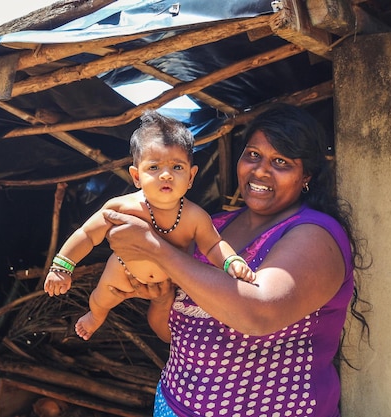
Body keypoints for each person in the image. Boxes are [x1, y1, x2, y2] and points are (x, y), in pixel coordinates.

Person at [103, 103, 370, 417]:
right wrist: (163, 300)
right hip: (173, 405)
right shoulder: (214, 227)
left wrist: (156, 250)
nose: (259, 171)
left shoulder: (315, 234)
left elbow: (258, 313)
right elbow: (173, 335)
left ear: (306, 175)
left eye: (280, 161)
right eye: (253, 155)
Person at [43, 110, 255, 341]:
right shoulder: (121, 208)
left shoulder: (195, 217)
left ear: (191, 177)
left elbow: (213, 245)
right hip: (122, 271)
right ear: (136, 176)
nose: (166, 175)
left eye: (177, 167)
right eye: (154, 168)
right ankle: (95, 316)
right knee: (102, 298)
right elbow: (86, 234)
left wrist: (231, 261)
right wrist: (61, 267)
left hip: (169, 282)